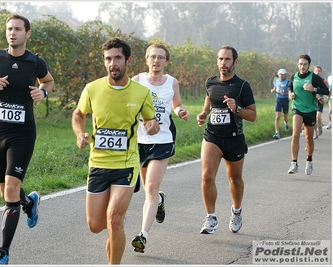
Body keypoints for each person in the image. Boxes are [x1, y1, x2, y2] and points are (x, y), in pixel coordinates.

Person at [71, 37, 160, 264]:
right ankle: (115, 228)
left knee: (114, 219)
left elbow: (150, 120)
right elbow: (78, 115)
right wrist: (80, 134)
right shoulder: (92, 89)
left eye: (117, 58)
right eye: (108, 59)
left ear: (128, 61)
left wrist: (151, 126)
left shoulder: (141, 93)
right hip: (98, 163)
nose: (113, 63)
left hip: (126, 164)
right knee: (95, 225)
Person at [0, 14, 54, 265]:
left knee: (11, 188)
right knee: (6, 192)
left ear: (27, 34)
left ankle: (3, 252)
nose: (12, 33)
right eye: (9, 29)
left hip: (23, 133)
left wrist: (42, 91)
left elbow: (49, 81)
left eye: (18, 29)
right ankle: (29, 202)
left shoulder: (35, 62)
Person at [130, 44, 190, 253]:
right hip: (139, 140)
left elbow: (177, 103)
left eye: (160, 57)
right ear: (146, 60)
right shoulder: (137, 81)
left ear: (166, 61)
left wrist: (181, 111)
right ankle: (160, 201)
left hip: (163, 139)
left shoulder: (172, 82)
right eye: (152, 57)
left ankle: (143, 236)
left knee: (152, 187)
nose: (156, 61)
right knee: (148, 191)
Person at [196, 46, 256, 234]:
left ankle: (236, 212)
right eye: (220, 59)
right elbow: (209, 99)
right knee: (207, 176)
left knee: (235, 179)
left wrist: (236, 108)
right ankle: (210, 218)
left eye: (227, 59)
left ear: (235, 62)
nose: (223, 63)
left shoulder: (242, 85)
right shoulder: (210, 82)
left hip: (234, 138)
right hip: (212, 136)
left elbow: (253, 115)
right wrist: (204, 113)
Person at [287, 54, 329, 175]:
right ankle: (294, 163)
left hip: (310, 110)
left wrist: (314, 89)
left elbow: (326, 91)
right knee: (295, 133)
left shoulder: (314, 78)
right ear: (298, 64)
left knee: (308, 138)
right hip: (297, 108)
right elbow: (290, 87)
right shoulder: (294, 76)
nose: (302, 66)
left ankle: (309, 160)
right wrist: (290, 94)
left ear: (309, 65)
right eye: (300, 64)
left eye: (305, 64)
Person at [270, 68, 290, 139]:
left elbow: (290, 92)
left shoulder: (288, 82)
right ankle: (277, 132)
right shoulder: (276, 81)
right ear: (278, 75)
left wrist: (285, 93)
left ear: (285, 75)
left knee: (285, 117)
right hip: (278, 100)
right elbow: (274, 89)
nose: (281, 76)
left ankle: (286, 123)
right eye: (280, 74)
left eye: (282, 75)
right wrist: (273, 90)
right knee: (277, 117)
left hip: (285, 101)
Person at [312, 65, 329, 138]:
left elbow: (329, 91)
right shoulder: (311, 80)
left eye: (319, 71)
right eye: (316, 71)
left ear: (321, 72)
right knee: (313, 118)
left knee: (318, 117)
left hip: (320, 100)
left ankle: (320, 126)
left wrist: (327, 99)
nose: (317, 72)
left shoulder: (324, 81)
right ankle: (315, 133)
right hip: (312, 100)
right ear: (314, 71)